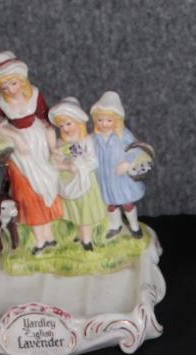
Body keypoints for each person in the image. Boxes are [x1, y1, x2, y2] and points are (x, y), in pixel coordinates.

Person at [0, 52, 65, 254]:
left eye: (13, 84)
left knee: (47, 188)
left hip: (39, 144)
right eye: (4, 87)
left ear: (21, 80)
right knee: (26, 192)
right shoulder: (1, 102)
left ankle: (50, 235)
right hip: (19, 153)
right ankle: (39, 240)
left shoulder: (35, 94)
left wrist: (53, 147)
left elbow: (47, 120)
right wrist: (13, 134)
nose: (9, 90)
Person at [48, 98, 108, 251]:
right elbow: (55, 160)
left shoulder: (86, 140)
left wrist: (79, 165)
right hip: (67, 183)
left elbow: (93, 161)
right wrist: (60, 164)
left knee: (84, 211)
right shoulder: (60, 142)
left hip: (83, 183)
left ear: (78, 123)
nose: (65, 129)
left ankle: (87, 240)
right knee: (74, 211)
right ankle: (79, 234)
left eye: (69, 124)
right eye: (61, 126)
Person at [89, 92, 150, 239]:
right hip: (105, 177)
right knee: (111, 204)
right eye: (100, 120)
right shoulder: (94, 137)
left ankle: (134, 226)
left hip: (120, 178)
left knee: (127, 203)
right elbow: (87, 150)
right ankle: (115, 225)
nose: (104, 123)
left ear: (116, 120)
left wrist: (127, 162)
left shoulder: (124, 135)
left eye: (108, 120)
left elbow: (137, 148)